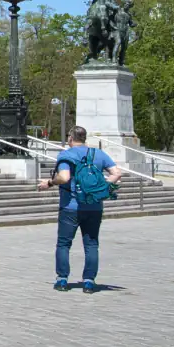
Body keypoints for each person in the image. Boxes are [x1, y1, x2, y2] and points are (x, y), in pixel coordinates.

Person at [51, 125, 122, 292]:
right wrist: (101, 186)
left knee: (64, 243)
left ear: (70, 138)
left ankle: (62, 279)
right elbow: (117, 173)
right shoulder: (98, 154)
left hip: (70, 206)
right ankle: (89, 281)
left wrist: (50, 182)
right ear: (84, 138)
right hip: (94, 207)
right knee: (91, 244)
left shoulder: (66, 154)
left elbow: (64, 177)